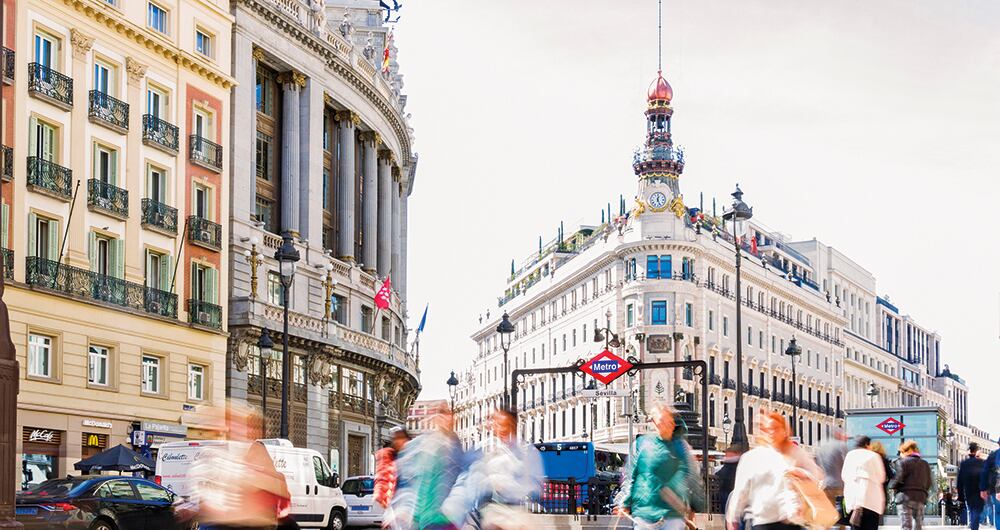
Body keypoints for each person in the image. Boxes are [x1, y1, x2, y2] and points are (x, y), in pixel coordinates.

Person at [445, 408, 544, 529]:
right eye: (498, 424)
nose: (501, 429)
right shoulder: (484, 448)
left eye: (505, 425)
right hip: (489, 512)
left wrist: (505, 485)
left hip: (514, 513)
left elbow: (534, 484)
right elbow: (466, 476)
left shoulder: (526, 451)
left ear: (513, 424)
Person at [726, 409, 825, 530]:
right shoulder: (751, 458)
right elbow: (741, 490)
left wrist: (802, 474)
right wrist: (733, 517)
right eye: (768, 429)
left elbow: (816, 476)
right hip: (764, 520)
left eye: (776, 428)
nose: (772, 432)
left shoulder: (796, 453)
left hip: (792, 519)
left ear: (785, 430)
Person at [617, 403, 691, 530]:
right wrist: (624, 502)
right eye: (661, 422)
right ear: (654, 423)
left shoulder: (680, 447)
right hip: (646, 512)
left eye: (668, 422)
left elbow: (689, 476)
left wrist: (693, 504)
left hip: (670, 512)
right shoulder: (642, 444)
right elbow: (631, 476)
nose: (665, 425)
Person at [392, 403, 465, 529]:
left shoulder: (455, 445)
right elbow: (409, 476)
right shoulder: (427, 443)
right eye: (442, 417)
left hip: (445, 516)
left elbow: (461, 478)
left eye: (448, 417)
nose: (446, 421)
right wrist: (404, 507)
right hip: (426, 514)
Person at [841, 436, 886, 530]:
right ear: (867, 445)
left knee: (856, 525)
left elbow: (844, 475)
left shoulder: (850, 455)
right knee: (870, 525)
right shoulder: (873, 456)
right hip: (871, 500)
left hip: (854, 499)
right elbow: (881, 476)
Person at [889, 440, 932, 530]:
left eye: (901, 452)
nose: (900, 455)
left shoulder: (902, 462)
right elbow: (928, 482)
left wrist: (891, 485)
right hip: (920, 497)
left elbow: (898, 479)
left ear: (906, 451)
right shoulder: (925, 464)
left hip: (905, 497)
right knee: (918, 525)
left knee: (906, 525)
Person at [816, 429, 850, 528]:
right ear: (837, 434)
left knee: (827, 512)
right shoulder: (841, 446)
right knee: (842, 512)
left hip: (826, 484)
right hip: (839, 484)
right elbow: (846, 463)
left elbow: (818, 465)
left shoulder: (821, 446)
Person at [375, 427, 412, 513]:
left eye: (401, 438)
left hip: (411, 506)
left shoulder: (413, 457)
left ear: (407, 440)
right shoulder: (389, 457)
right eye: (395, 439)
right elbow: (382, 479)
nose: (398, 441)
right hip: (395, 506)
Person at [959, 443, 987, 530]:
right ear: (976, 451)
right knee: (976, 511)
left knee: (972, 510)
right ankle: (974, 527)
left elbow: (960, 480)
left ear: (969, 451)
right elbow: (985, 477)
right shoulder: (982, 463)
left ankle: (973, 527)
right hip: (980, 491)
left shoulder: (964, 463)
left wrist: (960, 495)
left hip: (969, 491)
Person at [715, 446, 742, 522]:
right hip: (730, 491)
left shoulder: (730, 464)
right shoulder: (737, 463)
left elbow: (721, 474)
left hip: (728, 491)